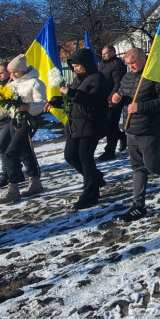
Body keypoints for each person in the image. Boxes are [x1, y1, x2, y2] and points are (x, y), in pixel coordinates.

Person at [111, 48, 160, 222]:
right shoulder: (127, 77)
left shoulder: (157, 76)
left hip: (151, 129)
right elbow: (122, 93)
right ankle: (138, 206)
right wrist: (115, 97)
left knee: (152, 164)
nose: (131, 66)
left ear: (144, 58)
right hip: (131, 128)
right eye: (128, 63)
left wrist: (140, 107)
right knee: (138, 168)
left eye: (134, 62)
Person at [49, 48, 111, 210]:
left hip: (91, 124)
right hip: (74, 125)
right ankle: (96, 179)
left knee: (85, 157)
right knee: (70, 156)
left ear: (86, 64)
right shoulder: (77, 80)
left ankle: (90, 193)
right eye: (73, 66)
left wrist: (71, 93)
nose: (74, 69)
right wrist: (57, 101)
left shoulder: (98, 78)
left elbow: (93, 100)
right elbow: (71, 100)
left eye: (77, 65)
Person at [0, 54, 48, 204]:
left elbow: (41, 103)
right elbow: (5, 106)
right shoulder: (11, 85)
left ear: (23, 71)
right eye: (10, 72)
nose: (12, 75)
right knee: (25, 152)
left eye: (15, 72)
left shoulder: (35, 83)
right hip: (15, 121)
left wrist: (28, 106)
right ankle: (35, 182)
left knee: (10, 153)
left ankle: (13, 187)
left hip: (28, 121)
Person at [97, 46, 127, 161]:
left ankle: (109, 151)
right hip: (102, 99)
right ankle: (122, 137)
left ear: (113, 52)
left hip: (114, 100)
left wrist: (111, 99)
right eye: (102, 53)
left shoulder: (117, 65)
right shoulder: (102, 65)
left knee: (110, 125)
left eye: (106, 53)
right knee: (108, 125)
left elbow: (118, 83)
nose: (103, 55)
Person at [0, 62, 15, 187]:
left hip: (9, 120)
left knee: (1, 146)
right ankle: (15, 172)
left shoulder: (13, 85)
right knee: (10, 148)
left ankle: (7, 174)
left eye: (1, 73)